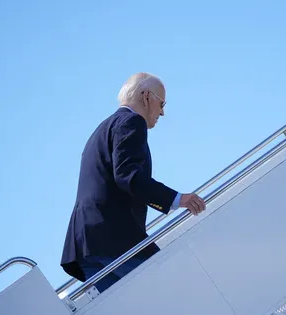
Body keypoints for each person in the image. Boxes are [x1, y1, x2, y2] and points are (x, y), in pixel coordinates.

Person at [60, 72, 206, 293]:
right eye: (162, 103)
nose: (163, 112)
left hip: (85, 246)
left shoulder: (101, 130)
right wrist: (177, 199)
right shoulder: (131, 121)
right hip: (114, 240)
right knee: (175, 289)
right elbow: (129, 177)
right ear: (147, 96)